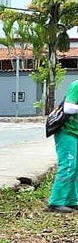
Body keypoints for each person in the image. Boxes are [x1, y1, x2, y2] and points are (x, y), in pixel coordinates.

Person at [47, 80, 78, 212]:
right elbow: (68, 107)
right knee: (68, 165)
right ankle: (56, 202)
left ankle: (71, 201)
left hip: (75, 133)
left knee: (75, 167)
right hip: (66, 132)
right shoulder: (76, 85)